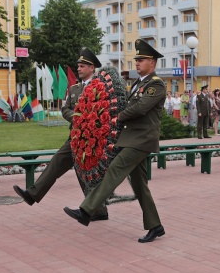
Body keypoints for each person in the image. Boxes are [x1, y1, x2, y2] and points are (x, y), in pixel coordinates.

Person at [64, 39, 166, 243]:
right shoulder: (139, 83)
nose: (137, 63)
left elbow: (140, 108)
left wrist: (117, 117)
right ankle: (156, 226)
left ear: (152, 63)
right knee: (140, 186)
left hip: (141, 140)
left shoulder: (156, 84)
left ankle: (86, 210)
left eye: (141, 60)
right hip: (131, 139)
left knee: (115, 169)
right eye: (136, 59)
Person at [13, 48, 109, 221]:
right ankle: (32, 194)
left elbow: (104, 112)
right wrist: (77, 118)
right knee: (57, 162)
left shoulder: (100, 87)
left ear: (91, 67)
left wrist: (88, 122)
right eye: (78, 66)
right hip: (75, 137)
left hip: (92, 140)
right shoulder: (74, 89)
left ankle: (98, 210)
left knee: (85, 175)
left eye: (82, 66)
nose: (78, 69)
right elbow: (65, 109)